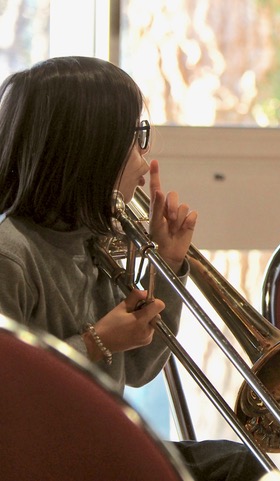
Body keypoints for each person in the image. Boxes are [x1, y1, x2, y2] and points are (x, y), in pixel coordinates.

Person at [0, 56, 266, 481]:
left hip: (94, 444)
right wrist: (94, 343)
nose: (145, 164)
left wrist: (168, 264)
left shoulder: (94, 240)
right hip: (43, 460)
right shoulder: (10, 255)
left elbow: (140, 369)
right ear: (87, 152)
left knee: (242, 465)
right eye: (134, 141)